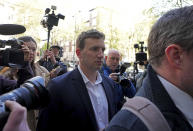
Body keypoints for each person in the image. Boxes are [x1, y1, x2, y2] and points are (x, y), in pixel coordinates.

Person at [105, 6, 193, 131]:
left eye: (117, 59)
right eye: (112, 58)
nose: (115, 61)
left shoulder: (123, 73)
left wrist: (125, 83)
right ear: (176, 56)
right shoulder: (128, 126)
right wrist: (109, 82)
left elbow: (133, 94)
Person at [37, 29, 119, 131]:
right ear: (79, 53)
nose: (101, 55)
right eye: (94, 49)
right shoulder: (57, 87)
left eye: (102, 50)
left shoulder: (110, 84)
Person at [16, 36, 50, 131]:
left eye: (33, 49)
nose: (31, 52)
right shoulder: (8, 72)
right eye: (27, 49)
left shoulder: (44, 72)